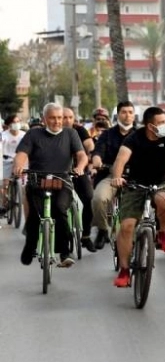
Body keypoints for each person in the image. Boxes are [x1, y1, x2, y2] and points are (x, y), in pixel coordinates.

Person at [110, 107, 165, 287]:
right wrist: (117, 177)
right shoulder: (134, 138)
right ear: (149, 125)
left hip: (160, 183)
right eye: (160, 122)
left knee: (164, 201)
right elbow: (120, 160)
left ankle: (163, 233)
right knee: (127, 226)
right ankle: (124, 270)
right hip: (135, 185)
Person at [15, 103, 89, 268]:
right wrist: (18, 167)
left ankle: (64, 252)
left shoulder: (71, 133)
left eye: (59, 118)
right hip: (37, 180)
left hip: (62, 180)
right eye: (52, 118)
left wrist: (79, 167)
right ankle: (30, 246)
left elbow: (82, 155)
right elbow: (21, 154)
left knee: (59, 209)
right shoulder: (33, 134)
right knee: (34, 215)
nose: (57, 121)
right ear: (44, 119)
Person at [91, 101, 137, 249]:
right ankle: (103, 230)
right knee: (98, 199)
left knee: (148, 202)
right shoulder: (107, 134)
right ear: (118, 115)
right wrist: (97, 160)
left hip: (134, 177)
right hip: (110, 175)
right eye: (124, 112)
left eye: (130, 112)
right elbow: (97, 152)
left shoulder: (141, 134)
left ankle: (144, 235)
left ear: (134, 115)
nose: (127, 115)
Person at [62, 107, 97, 253]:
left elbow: (90, 144)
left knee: (89, 198)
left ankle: (86, 236)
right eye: (64, 117)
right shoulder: (50, 132)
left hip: (77, 171)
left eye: (70, 117)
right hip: (57, 173)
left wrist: (88, 151)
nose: (67, 120)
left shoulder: (79, 130)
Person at [2, 114, 26, 213]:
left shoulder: (24, 135)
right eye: (14, 122)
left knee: (24, 184)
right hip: (6, 160)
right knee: (4, 183)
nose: (16, 124)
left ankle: (20, 197)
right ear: (9, 124)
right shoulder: (3, 135)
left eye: (18, 122)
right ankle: (4, 201)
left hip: (20, 161)